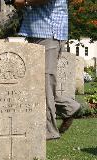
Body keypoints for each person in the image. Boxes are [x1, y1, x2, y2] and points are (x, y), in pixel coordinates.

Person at [14, 0, 81, 140]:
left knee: (45, 85)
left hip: (49, 33)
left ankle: (49, 131)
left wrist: (24, 2)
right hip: (36, 32)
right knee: (39, 86)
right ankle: (70, 107)